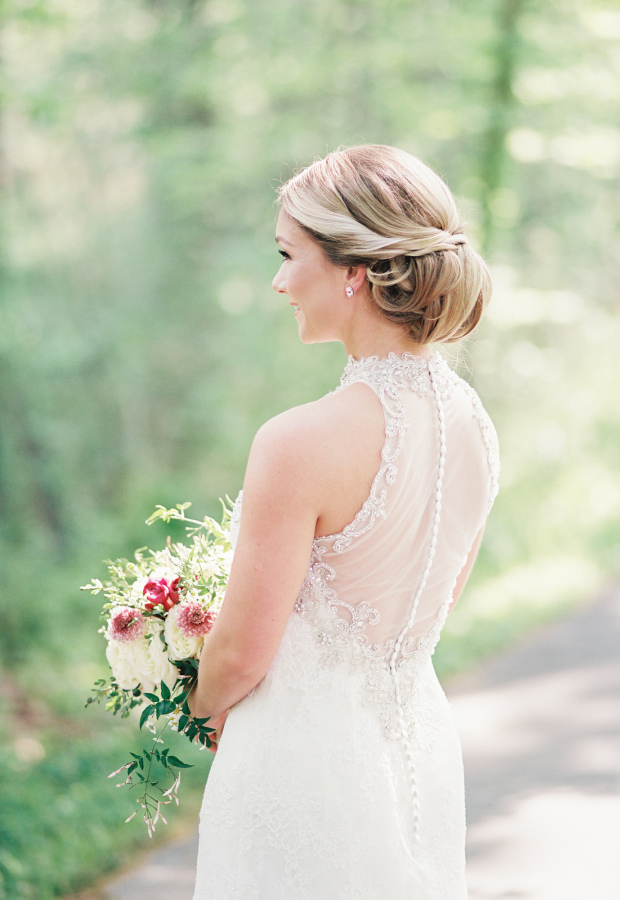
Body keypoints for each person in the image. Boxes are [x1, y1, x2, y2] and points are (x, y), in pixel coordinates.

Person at [190, 144, 499, 899]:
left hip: (298, 762)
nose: (278, 281)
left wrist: (197, 706)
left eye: (290, 255)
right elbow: (436, 606)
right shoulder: (476, 426)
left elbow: (240, 654)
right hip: (417, 747)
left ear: (354, 270)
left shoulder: (299, 441)